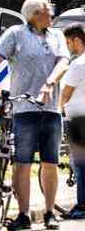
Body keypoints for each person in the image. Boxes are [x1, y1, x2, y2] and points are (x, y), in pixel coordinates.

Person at [0, 0, 70, 230]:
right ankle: (23, 214)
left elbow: (64, 62)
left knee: (50, 163)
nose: (52, 13)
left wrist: (49, 84)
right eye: (47, 10)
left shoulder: (57, 36)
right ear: (35, 14)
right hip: (23, 109)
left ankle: (50, 212)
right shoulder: (15, 34)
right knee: (21, 163)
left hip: (51, 109)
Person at [60, 23, 85, 219]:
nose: (67, 46)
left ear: (77, 40)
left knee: (81, 165)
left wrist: (57, 109)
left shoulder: (78, 64)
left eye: (68, 42)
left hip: (78, 119)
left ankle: (82, 206)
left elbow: (65, 94)